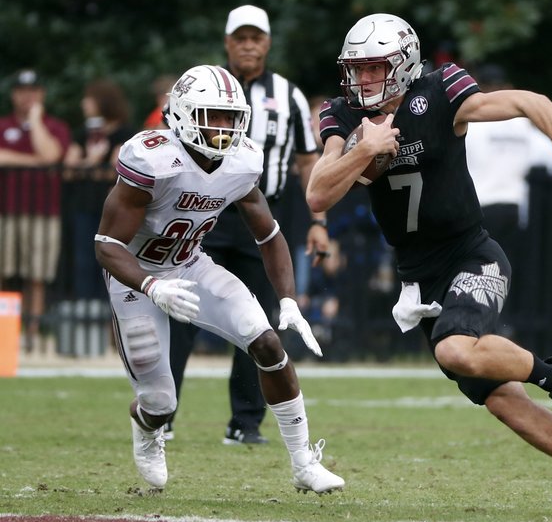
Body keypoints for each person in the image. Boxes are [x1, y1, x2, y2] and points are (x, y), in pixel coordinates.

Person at [307, 13, 552, 517]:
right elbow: (319, 192)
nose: (362, 80)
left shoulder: (442, 89)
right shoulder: (343, 118)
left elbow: (528, 102)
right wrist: (364, 149)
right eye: (356, 69)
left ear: (404, 65)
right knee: (501, 400)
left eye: (374, 68)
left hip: (471, 254)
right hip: (420, 277)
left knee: (456, 350)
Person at [94, 65, 344, 494]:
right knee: (160, 401)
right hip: (135, 275)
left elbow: (268, 233)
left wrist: (287, 300)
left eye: (231, 117)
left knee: (267, 342)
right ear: (183, 113)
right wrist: (152, 286)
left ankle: (304, 462)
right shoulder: (152, 158)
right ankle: (146, 424)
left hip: (190, 265)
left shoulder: (241, 161)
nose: (224, 128)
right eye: (214, 115)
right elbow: (107, 246)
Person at [167, 5, 329, 445]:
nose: (248, 44)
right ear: (227, 42)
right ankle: (162, 413)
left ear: (268, 42)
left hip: (261, 212)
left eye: (256, 37)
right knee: (180, 311)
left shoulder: (289, 95)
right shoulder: (200, 85)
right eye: (240, 37)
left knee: (258, 320)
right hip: (208, 212)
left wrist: (318, 219)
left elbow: (305, 160)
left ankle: (246, 422)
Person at [465, 64, 552, 338]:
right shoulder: (522, 125)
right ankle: (508, 327)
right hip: (517, 208)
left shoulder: (472, 123)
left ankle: (484, 327)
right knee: (509, 271)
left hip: (482, 206)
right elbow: (551, 160)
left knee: (479, 271)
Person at [0, 69, 71, 352]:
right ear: (13, 94)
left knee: (37, 275)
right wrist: (36, 161)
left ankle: (31, 332)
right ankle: (6, 331)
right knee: (4, 271)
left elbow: (52, 155)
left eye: (33, 91)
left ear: (41, 95)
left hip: (43, 212)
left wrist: (35, 121)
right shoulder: (3, 124)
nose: (27, 96)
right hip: (6, 210)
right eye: (21, 91)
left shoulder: (54, 127)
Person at [63, 79, 137, 301]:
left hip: (112, 210)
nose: (84, 104)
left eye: (89, 99)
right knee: (83, 260)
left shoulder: (125, 133)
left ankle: (109, 312)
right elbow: (67, 170)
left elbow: (114, 171)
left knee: (110, 258)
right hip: (84, 206)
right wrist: (94, 161)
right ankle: (86, 311)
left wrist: (86, 166)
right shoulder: (83, 133)